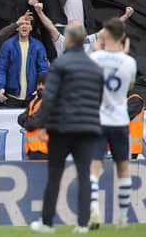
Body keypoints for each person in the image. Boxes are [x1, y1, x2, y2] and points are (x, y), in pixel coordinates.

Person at [30, 25, 104, 234]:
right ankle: (82, 224)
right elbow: (98, 98)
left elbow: (50, 97)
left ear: (70, 41)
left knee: (55, 175)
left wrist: (39, 122)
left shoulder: (60, 64)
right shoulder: (95, 67)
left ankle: (46, 223)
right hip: (87, 129)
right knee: (83, 175)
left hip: (61, 128)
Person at [88, 19, 137, 229]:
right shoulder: (129, 62)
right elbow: (131, 85)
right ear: (123, 37)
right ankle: (123, 217)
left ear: (107, 36)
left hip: (99, 118)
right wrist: (122, 55)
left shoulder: (96, 58)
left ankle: (95, 209)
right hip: (119, 119)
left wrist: (98, 49)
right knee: (123, 168)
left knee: (94, 167)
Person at [0, 19, 50, 108]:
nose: (24, 26)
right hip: (12, 96)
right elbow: (1, 69)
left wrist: (40, 88)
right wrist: (1, 87)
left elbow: (44, 69)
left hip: (33, 96)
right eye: (21, 24)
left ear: (31, 28)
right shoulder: (7, 45)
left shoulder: (38, 46)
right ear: (17, 28)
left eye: (27, 24)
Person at [18, 74, 49, 160]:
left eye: (43, 84)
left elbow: (31, 124)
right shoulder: (34, 101)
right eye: (39, 84)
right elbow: (20, 118)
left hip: (45, 150)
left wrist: (27, 119)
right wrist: (28, 119)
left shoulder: (49, 102)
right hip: (33, 149)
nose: (40, 87)